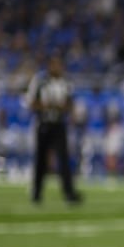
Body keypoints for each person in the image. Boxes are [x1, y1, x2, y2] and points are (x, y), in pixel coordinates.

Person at [25, 55, 82, 204]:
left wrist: (61, 107)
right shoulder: (39, 81)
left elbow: (71, 104)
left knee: (63, 159)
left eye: (59, 64)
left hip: (59, 124)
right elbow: (31, 103)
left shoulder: (66, 82)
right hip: (43, 123)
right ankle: (36, 193)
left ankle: (69, 193)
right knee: (40, 160)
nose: (58, 68)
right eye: (55, 64)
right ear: (49, 65)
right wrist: (47, 106)